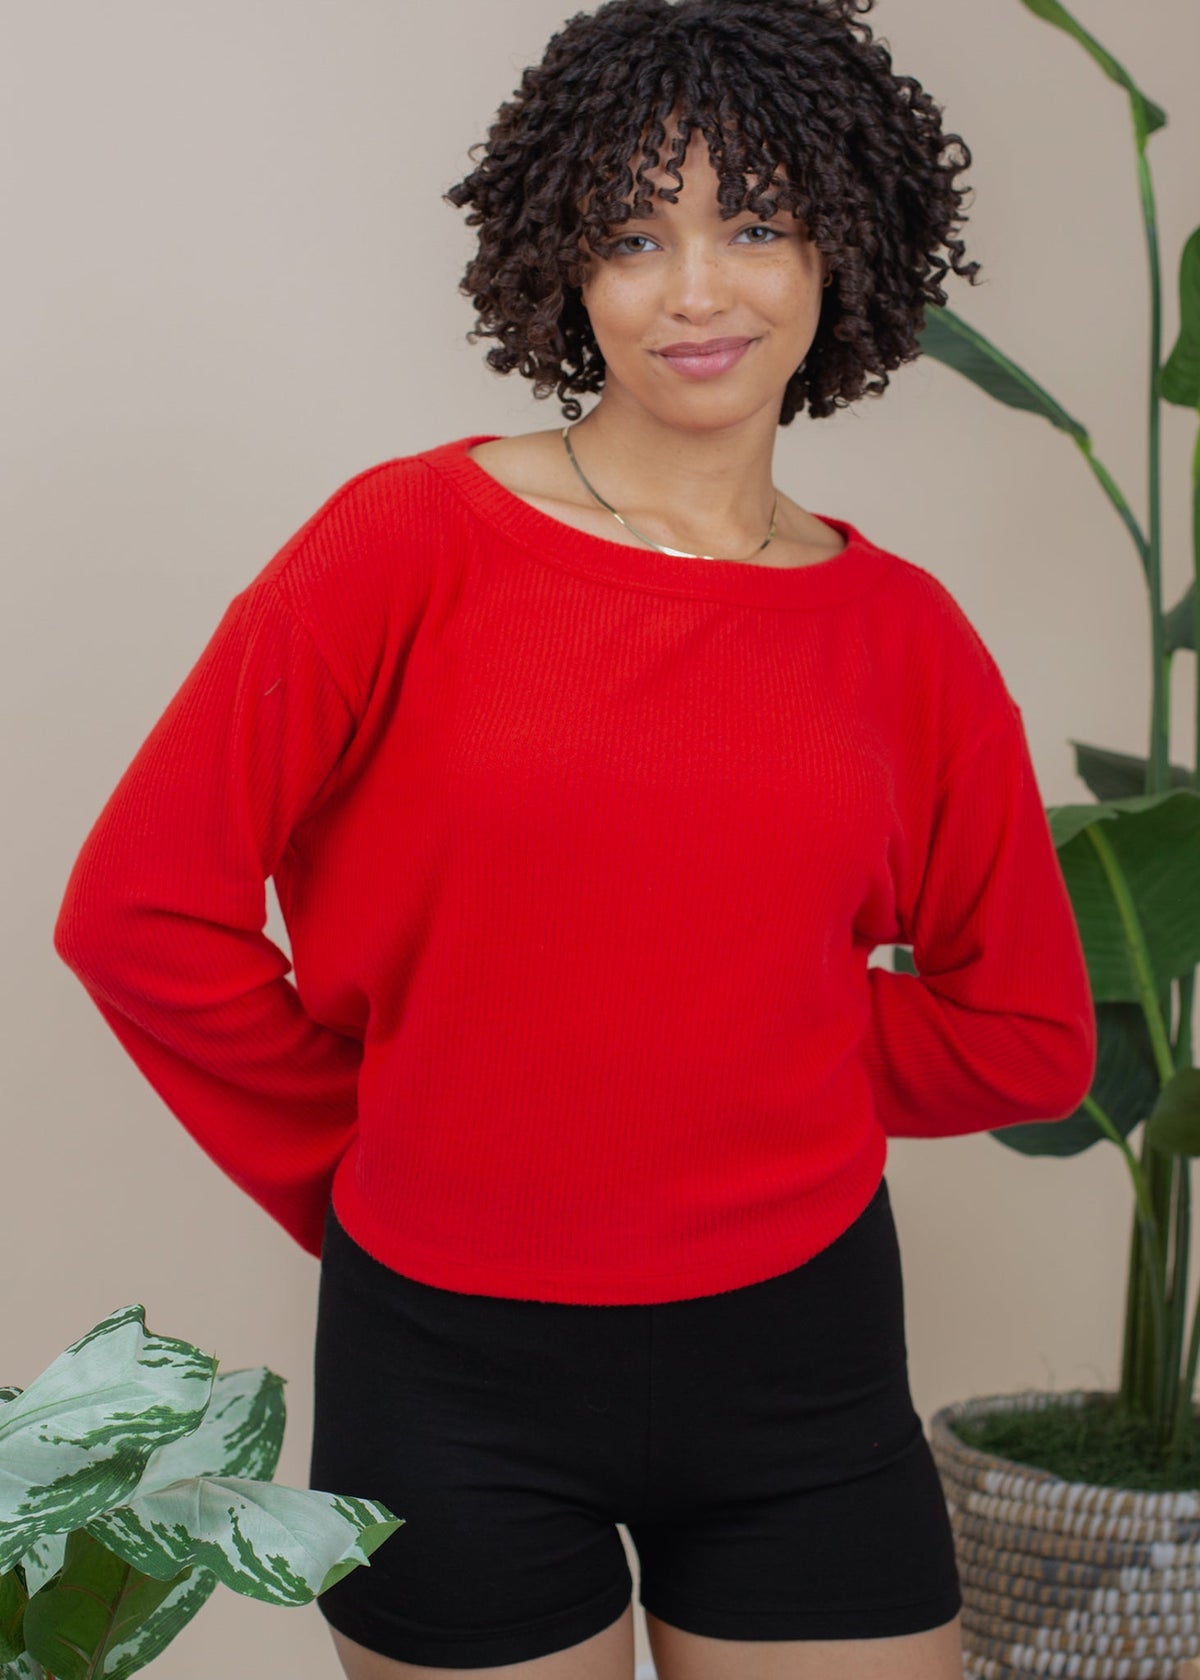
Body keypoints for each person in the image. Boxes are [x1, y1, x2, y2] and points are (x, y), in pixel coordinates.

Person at [52, 1, 1097, 1677]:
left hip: (804, 1358)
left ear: (845, 244)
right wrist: (385, 1136)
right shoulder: (405, 543)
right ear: (562, 267)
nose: (697, 290)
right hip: (445, 1364)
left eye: (755, 224)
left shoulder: (906, 637)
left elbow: (1029, 1033)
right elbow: (136, 912)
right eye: (632, 235)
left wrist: (729, 1037)